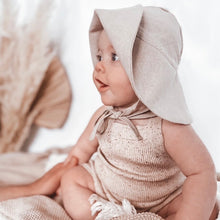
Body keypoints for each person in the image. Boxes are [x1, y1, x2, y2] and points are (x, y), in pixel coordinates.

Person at [0, 5, 218, 220]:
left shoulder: (169, 126)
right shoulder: (105, 115)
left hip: (162, 199)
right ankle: (107, 216)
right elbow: (80, 152)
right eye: (99, 56)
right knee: (72, 180)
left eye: (114, 57)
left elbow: (201, 173)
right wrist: (67, 168)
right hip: (105, 191)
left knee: (200, 204)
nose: (99, 67)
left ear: (150, 69)